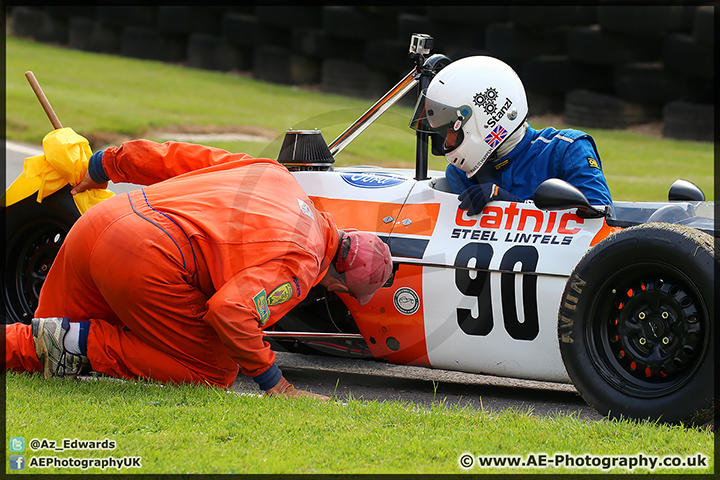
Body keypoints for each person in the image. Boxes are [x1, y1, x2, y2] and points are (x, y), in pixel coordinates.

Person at [5, 139, 393, 400]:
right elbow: (231, 314)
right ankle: (83, 343)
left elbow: (176, 158)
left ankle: (63, 341)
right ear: (338, 282)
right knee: (212, 369)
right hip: (145, 257)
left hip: (99, 221)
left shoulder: (277, 176)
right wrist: (275, 383)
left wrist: (104, 163)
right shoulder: (304, 263)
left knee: (34, 348)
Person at [410, 55, 613, 215]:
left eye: (450, 131)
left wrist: (509, 202)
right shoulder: (460, 174)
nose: (447, 142)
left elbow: (600, 218)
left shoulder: (567, 148)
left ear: (483, 121)